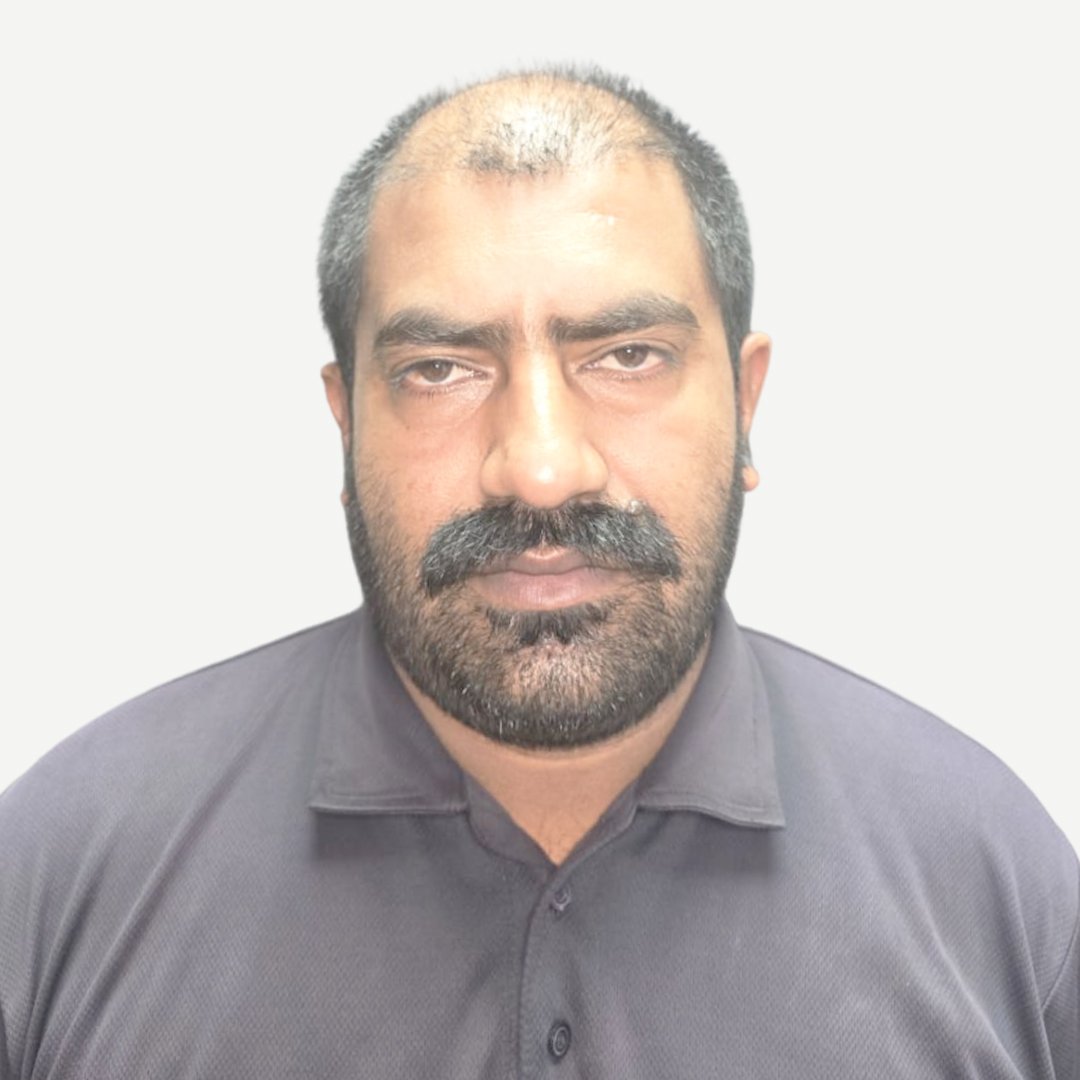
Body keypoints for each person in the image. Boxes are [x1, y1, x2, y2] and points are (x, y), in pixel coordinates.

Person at [1, 67, 1075, 1079]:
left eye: (628, 356)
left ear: (747, 404)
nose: (543, 467)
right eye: (441, 369)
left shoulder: (995, 886)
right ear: (346, 423)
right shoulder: (61, 876)